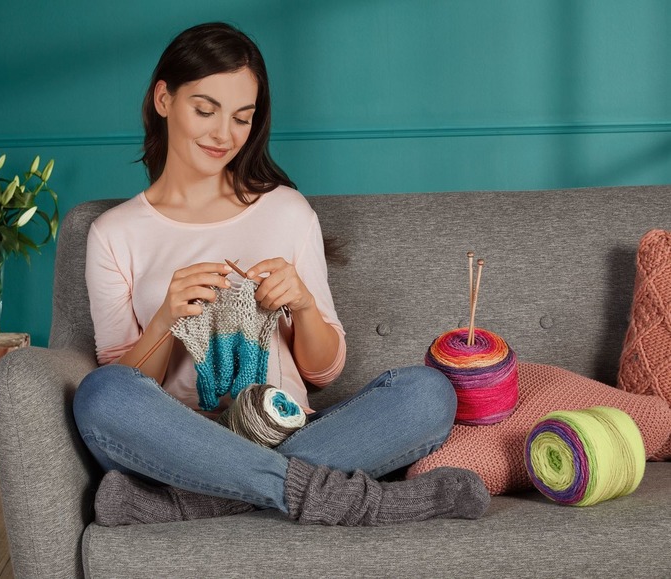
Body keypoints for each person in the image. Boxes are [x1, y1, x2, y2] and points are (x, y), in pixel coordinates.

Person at [73, 22, 490, 527]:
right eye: (205, 109)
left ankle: (199, 502)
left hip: (286, 429)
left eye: (241, 118)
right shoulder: (113, 233)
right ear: (164, 98)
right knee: (101, 395)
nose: (223, 134)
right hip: (179, 445)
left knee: (427, 393)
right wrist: (164, 319)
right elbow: (124, 384)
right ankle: (364, 501)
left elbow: (323, 371)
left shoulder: (286, 212)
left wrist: (304, 305)